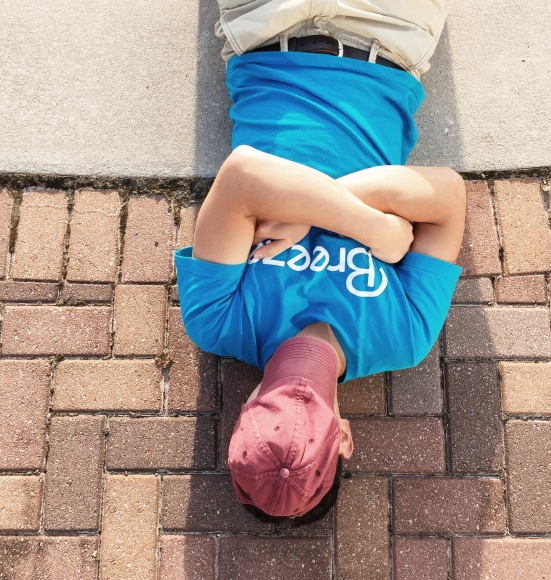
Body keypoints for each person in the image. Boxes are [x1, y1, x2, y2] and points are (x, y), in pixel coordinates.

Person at [174, 0, 465, 524]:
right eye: (307, 425)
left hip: (267, 28)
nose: (296, 400)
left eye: (273, 416)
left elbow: (240, 175)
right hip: (389, 34)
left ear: (244, 413)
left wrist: (362, 224)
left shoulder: (218, 322)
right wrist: (300, 206)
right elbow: (447, 198)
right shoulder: (401, 337)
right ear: (345, 438)